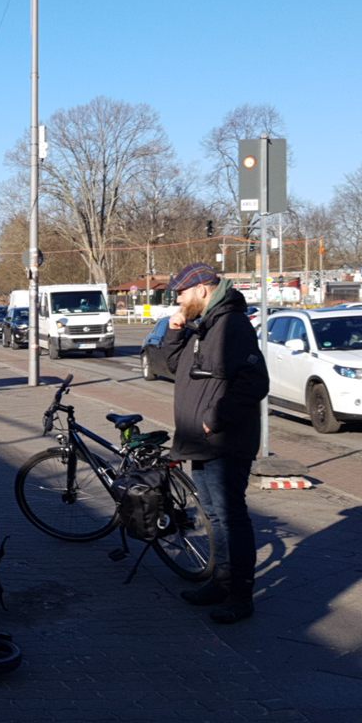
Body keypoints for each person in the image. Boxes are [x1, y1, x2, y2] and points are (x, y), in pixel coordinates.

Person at [159, 262, 269, 624]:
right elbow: (173, 367)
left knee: (230, 516)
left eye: (181, 293)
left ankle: (241, 595)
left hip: (224, 441)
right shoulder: (203, 325)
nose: (177, 300)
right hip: (200, 441)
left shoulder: (231, 325)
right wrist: (174, 331)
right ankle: (222, 582)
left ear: (202, 289)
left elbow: (254, 381)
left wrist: (215, 417)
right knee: (213, 515)